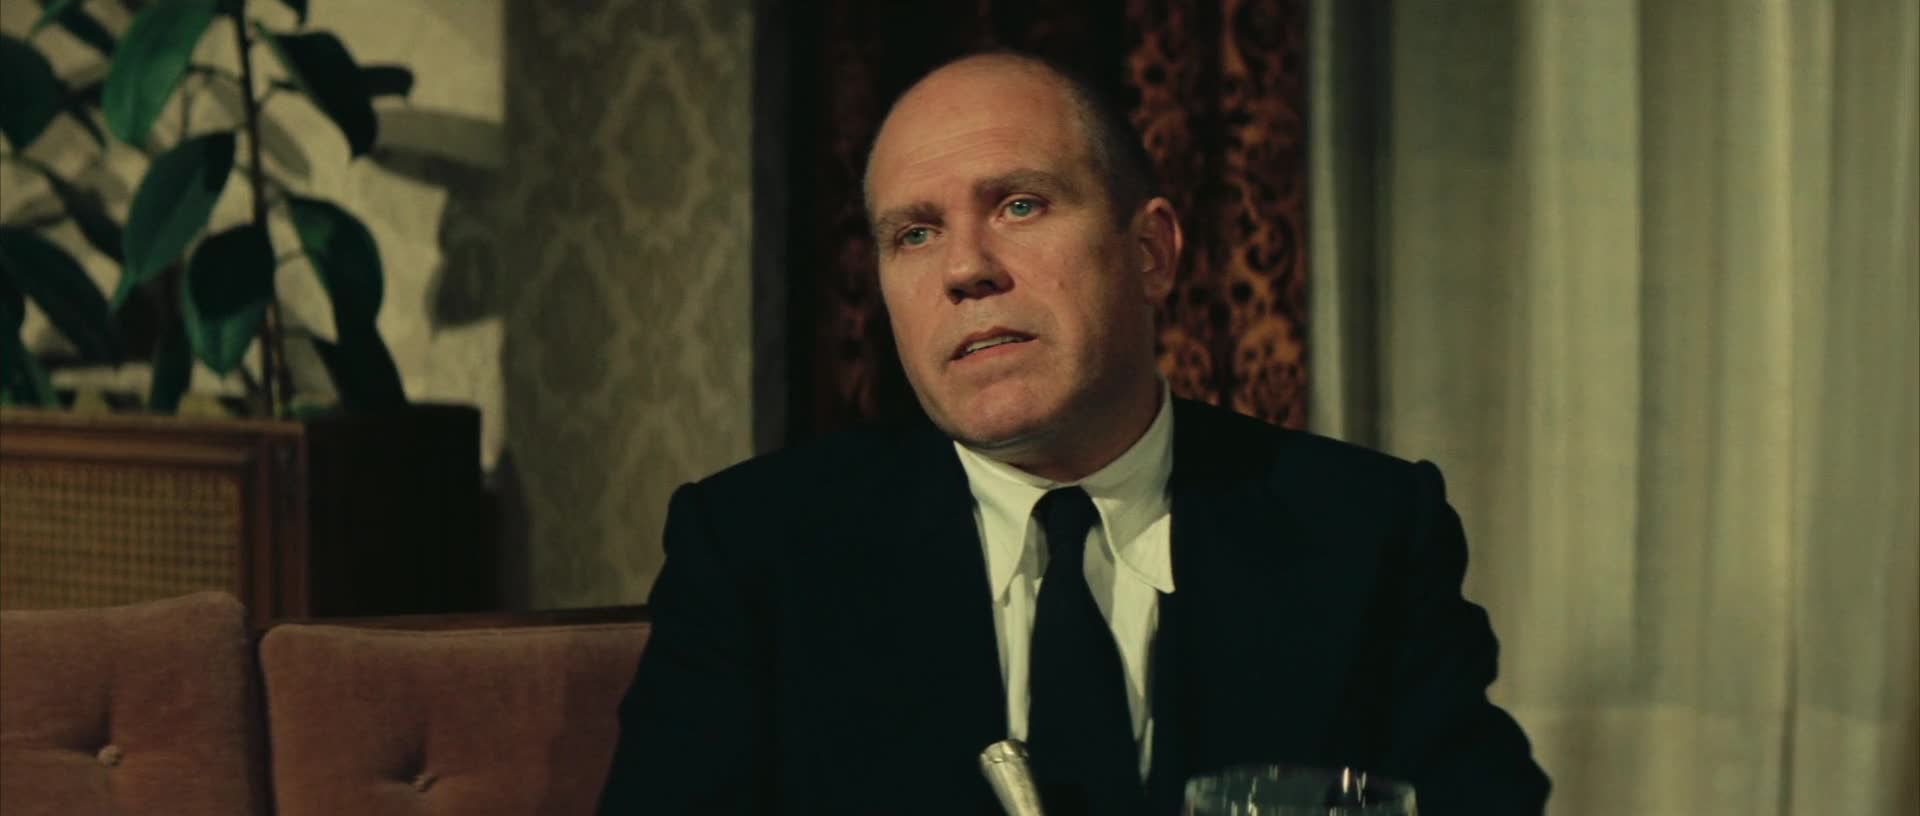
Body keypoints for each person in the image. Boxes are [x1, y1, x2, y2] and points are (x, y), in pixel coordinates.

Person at [598, 51, 1549, 815]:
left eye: (1019, 204)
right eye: (914, 233)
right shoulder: (757, 550)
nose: (965, 269)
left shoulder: (1366, 528)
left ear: (1151, 252)